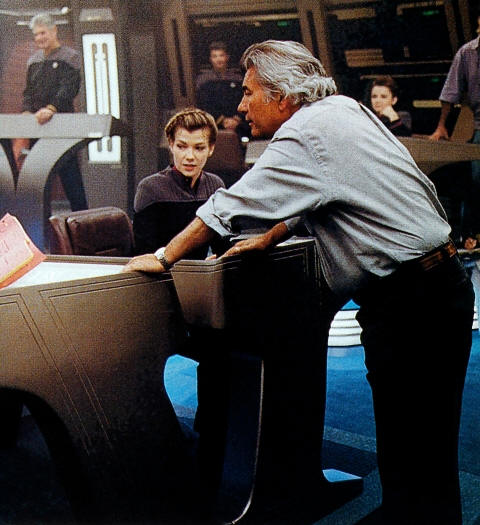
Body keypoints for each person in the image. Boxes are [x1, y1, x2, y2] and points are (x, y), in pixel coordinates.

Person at [125, 40, 474, 524]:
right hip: (441, 287)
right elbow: (334, 187)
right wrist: (274, 234)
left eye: (250, 93)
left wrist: (163, 257)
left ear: (283, 96)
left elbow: (228, 205)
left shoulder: (302, 133)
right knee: (425, 448)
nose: (242, 105)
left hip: (410, 303)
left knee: (412, 444)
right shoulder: (343, 110)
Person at [134, 107, 226, 257]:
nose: (190, 156)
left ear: (211, 149)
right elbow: (143, 255)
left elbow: (222, 248)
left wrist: (213, 262)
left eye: (199, 148)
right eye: (181, 147)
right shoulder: (150, 189)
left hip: (203, 270)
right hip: (161, 270)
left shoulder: (215, 186)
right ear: (171, 144)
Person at [21, 12, 88, 211]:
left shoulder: (70, 57)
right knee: (40, 183)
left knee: (71, 179)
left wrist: (51, 109)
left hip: (62, 127)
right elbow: (28, 92)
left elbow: (69, 88)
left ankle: (82, 222)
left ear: (54, 31)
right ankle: (41, 224)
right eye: (36, 34)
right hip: (38, 128)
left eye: (43, 33)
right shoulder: (33, 61)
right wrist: (26, 112)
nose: (39, 38)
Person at [429, 18, 480, 238]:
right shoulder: (467, 53)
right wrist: (441, 126)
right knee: (476, 180)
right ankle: (471, 234)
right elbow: (450, 92)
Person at [194, 42, 249, 139]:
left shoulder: (238, 78)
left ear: (227, 57)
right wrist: (222, 120)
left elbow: (245, 100)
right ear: (210, 59)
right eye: (215, 56)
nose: (218, 59)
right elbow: (204, 105)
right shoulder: (203, 80)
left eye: (221, 55)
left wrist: (237, 119)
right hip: (214, 125)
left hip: (238, 123)